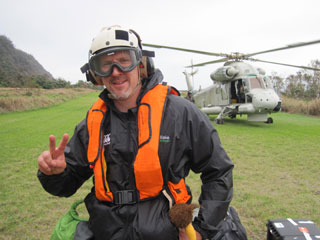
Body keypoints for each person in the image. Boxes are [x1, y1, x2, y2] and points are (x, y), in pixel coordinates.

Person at [37, 25, 234, 240]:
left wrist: (201, 228)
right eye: (105, 64)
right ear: (95, 75)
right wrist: (55, 175)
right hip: (106, 231)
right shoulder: (93, 122)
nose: (115, 71)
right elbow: (66, 185)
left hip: (167, 231)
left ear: (141, 65)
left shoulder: (180, 113)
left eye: (124, 61)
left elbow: (218, 171)